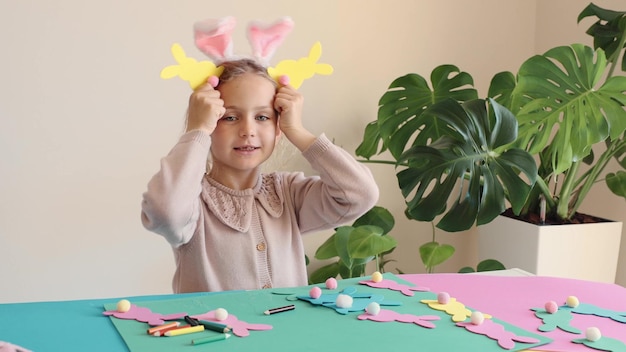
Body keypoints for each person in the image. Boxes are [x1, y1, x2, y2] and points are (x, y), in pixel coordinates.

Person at [141, 58, 379, 293]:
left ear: (278, 129)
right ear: (211, 124)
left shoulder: (289, 193)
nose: (248, 131)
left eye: (262, 117)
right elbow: (164, 211)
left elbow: (361, 194)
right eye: (230, 117)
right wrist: (197, 131)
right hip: (215, 332)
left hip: (286, 331)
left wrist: (298, 131)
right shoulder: (192, 203)